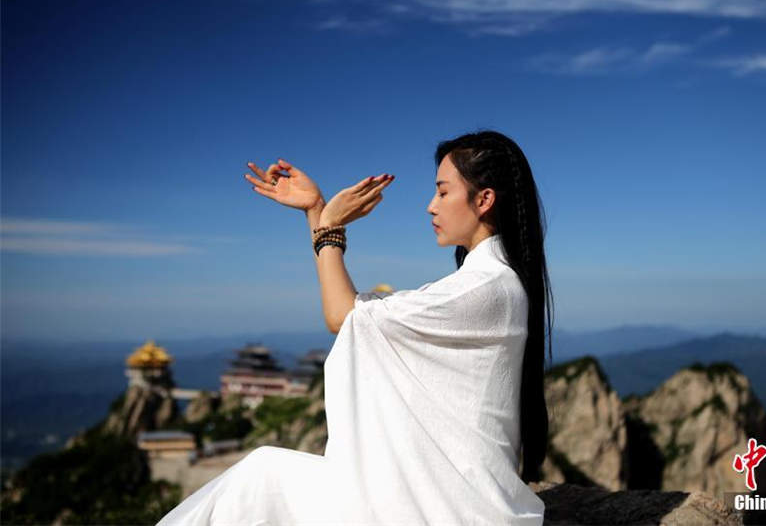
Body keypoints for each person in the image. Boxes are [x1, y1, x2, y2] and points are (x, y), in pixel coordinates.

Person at [156, 130, 553, 525]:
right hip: (446, 494)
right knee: (262, 474)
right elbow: (351, 313)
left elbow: (343, 316)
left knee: (258, 480)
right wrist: (317, 211)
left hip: (447, 506)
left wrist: (330, 225)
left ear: (484, 200)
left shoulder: (484, 288)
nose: (430, 206)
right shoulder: (492, 282)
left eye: (443, 192)